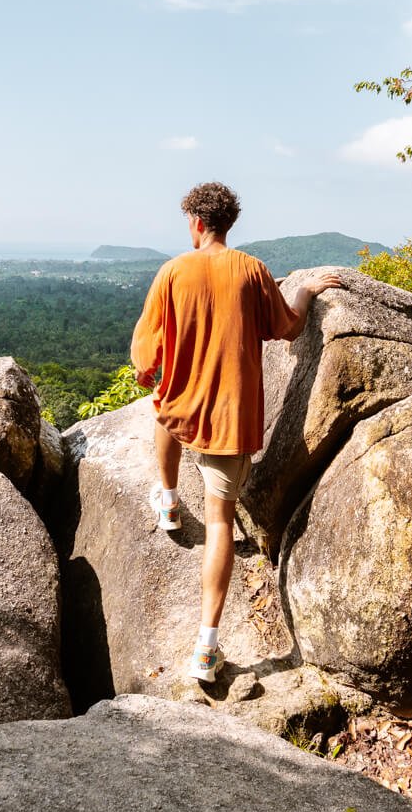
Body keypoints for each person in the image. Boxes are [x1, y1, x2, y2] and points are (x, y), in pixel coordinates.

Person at [129, 181, 344, 683]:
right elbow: (288, 327)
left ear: (198, 224)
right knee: (220, 523)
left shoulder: (173, 271)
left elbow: (147, 346)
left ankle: (165, 497)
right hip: (231, 421)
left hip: (184, 408)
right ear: (227, 223)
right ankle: (206, 646)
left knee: (163, 408)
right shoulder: (251, 270)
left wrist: (148, 370)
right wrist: (307, 291)